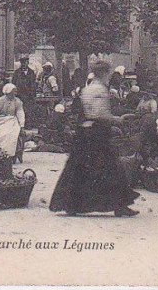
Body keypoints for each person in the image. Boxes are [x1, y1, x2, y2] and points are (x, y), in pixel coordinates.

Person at [49, 59, 139, 217]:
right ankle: (120, 205)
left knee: (79, 168)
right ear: (104, 73)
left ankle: (72, 204)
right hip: (97, 133)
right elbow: (99, 114)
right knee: (111, 168)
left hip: (84, 132)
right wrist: (118, 119)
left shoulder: (87, 88)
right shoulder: (100, 90)